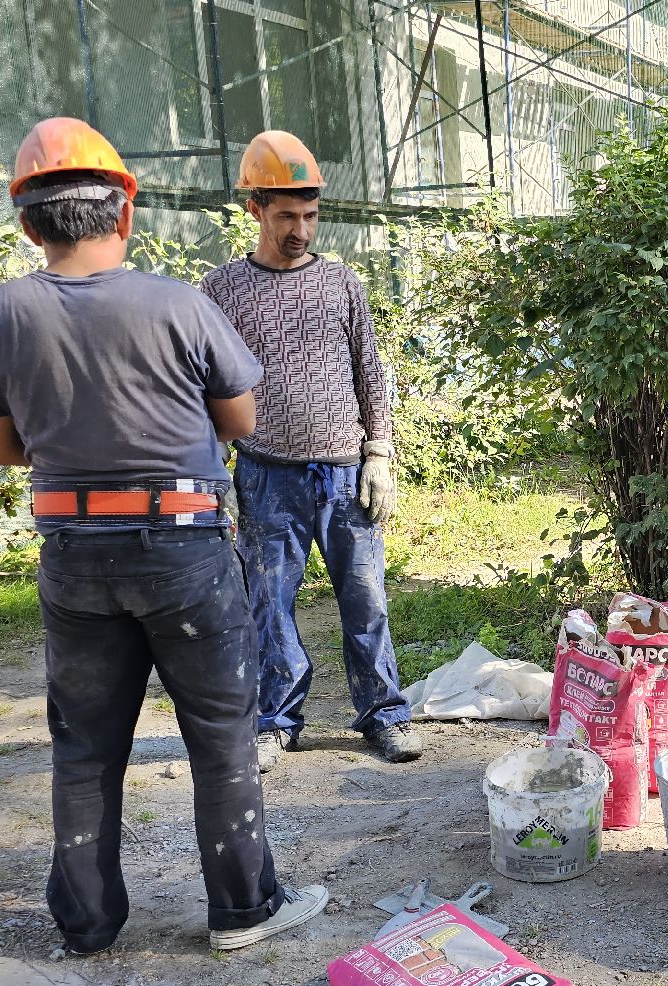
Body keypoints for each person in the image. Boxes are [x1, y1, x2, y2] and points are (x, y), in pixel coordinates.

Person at [0, 117, 327, 953]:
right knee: (222, 738)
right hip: (184, 551)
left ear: (27, 224)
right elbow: (240, 419)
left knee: (83, 746)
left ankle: (86, 925)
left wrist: (68, 446)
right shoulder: (178, 305)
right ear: (125, 213)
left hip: (74, 558)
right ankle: (242, 912)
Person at [200, 130, 419, 769]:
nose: (301, 228)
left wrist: (380, 452)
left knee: (367, 598)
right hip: (265, 476)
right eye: (287, 215)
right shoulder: (222, 292)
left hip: (345, 473)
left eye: (311, 215)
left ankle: (383, 714)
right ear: (256, 211)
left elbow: (370, 370)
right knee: (269, 603)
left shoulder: (340, 283)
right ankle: (276, 720)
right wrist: (216, 476)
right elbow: (205, 385)